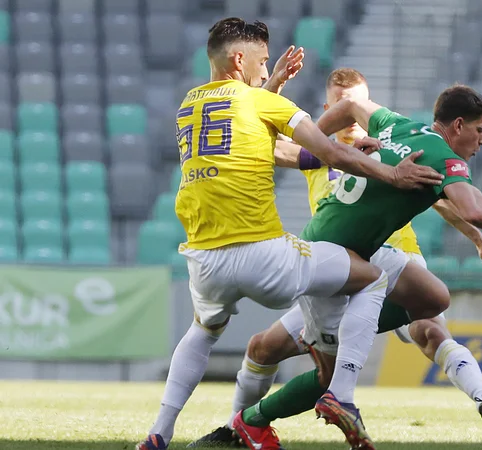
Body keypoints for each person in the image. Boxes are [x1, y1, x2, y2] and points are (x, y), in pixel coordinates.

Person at [136, 18, 446, 450]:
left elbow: (289, 152)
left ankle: (160, 433)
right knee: (370, 276)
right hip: (265, 255)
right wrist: (392, 174)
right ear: (239, 59)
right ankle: (342, 394)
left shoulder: (190, 105)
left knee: (203, 332)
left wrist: (276, 84)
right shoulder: (264, 103)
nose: (266, 72)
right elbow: (328, 150)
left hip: (205, 260)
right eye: (263, 63)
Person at [189, 68, 482, 449]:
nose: (350, 113)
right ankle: (237, 431)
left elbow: (446, 196)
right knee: (263, 348)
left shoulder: (395, 143)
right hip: (335, 267)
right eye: (341, 103)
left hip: (394, 258)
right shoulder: (318, 154)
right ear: (329, 108)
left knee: (429, 327)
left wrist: (479, 240)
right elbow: (271, 147)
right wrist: (270, 90)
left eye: (357, 101)